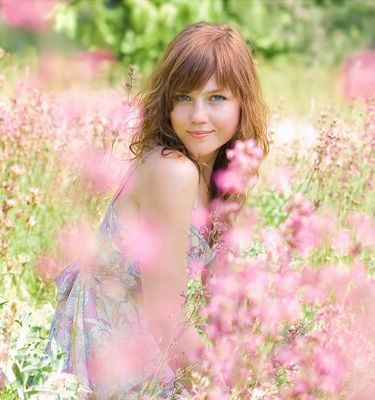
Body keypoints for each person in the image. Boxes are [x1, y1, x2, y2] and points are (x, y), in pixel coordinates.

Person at [46, 21, 269, 399]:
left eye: (216, 98)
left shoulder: (224, 177)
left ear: (242, 102)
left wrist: (249, 369)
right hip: (109, 359)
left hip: (155, 350)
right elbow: (165, 320)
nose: (198, 115)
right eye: (184, 97)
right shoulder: (171, 169)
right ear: (167, 101)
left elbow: (220, 301)